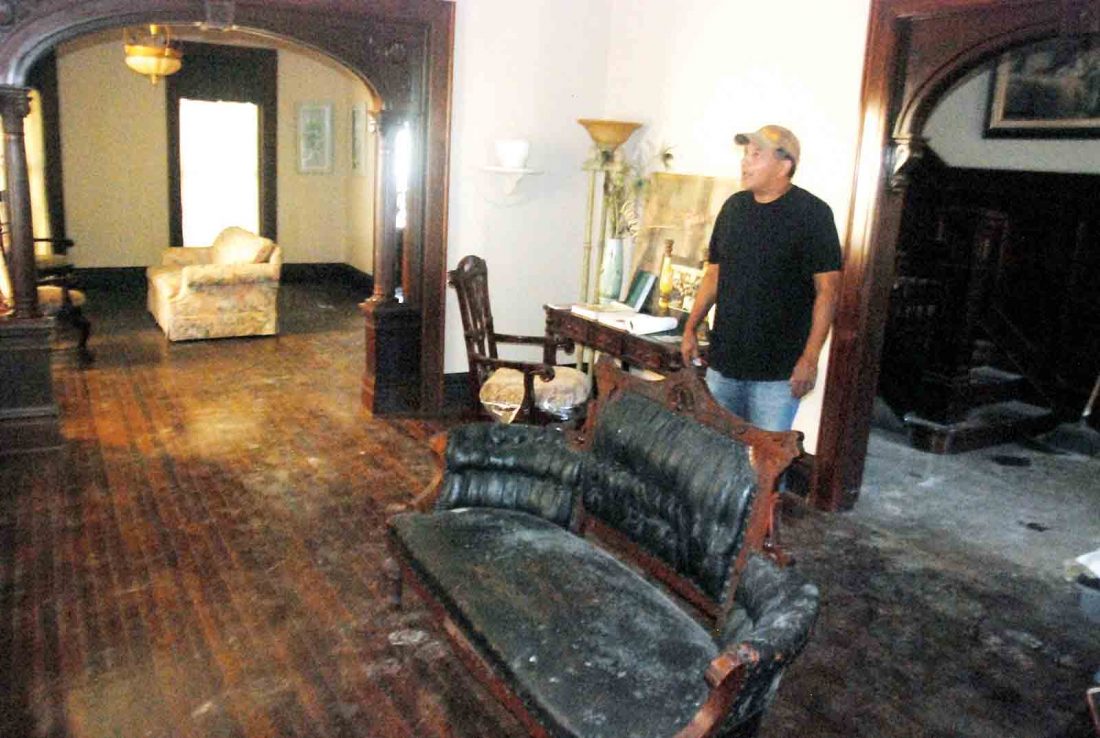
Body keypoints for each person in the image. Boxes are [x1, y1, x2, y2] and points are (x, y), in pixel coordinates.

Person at [680, 124, 841, 432]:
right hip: (724, 365)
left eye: (756, 154)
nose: (745, 162)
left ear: (784, 165)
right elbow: (714, 274)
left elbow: (828, 291)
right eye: (745, 154)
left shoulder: (813, 214)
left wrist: (810, 358)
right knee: (714, 450)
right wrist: (690, 327)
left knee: (765, 456)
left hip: (778, 376)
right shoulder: (734, 208)